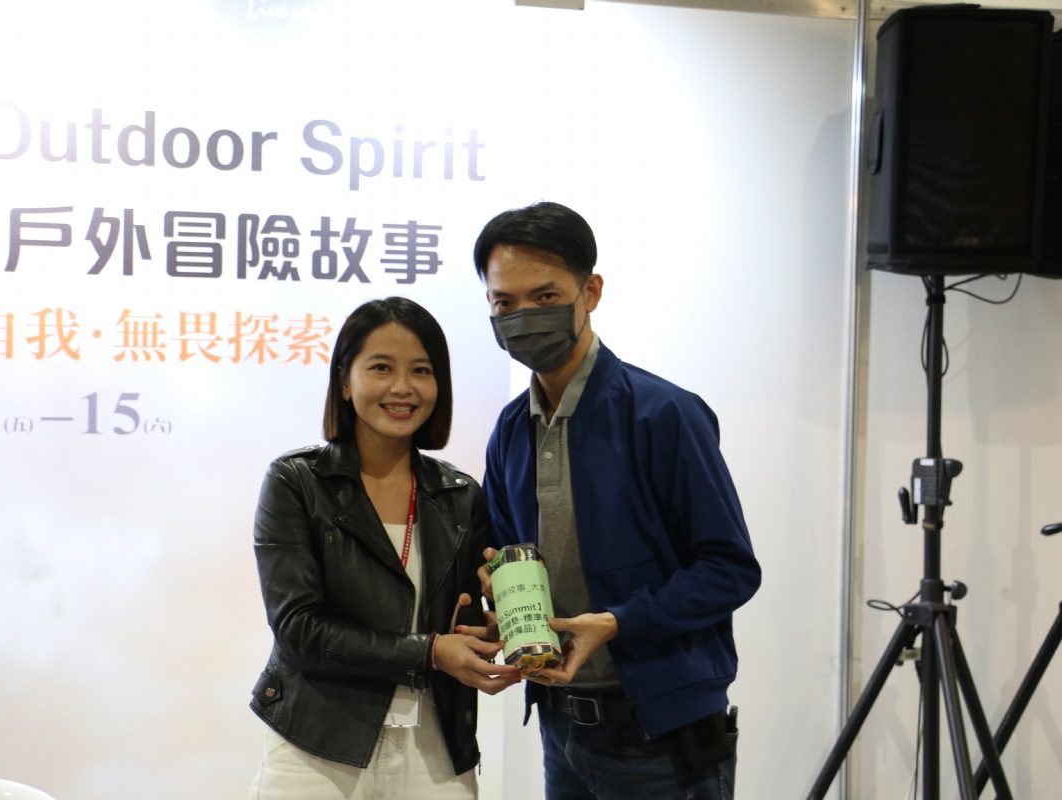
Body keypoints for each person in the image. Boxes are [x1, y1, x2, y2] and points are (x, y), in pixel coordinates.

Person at [467, 202, 762, 800]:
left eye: (545, 297)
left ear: (591, 292)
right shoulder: (511, 430)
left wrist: (618, 622)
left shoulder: (664, 414)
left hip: (661, 734)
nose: (524, 317)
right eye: (504, 304)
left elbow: (730, 570)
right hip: (560, 726)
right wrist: (496, 597)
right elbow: (506, 557)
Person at [248, 296, 521, 799]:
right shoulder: (296, 481)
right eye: (381, 367)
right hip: (317, 749)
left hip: (435, 751)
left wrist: (490, 628)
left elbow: (468, 613)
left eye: (421, 370)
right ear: (344, 381)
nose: (402, 387)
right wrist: (431, 652)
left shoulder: (460, 495)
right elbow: (298, 629)